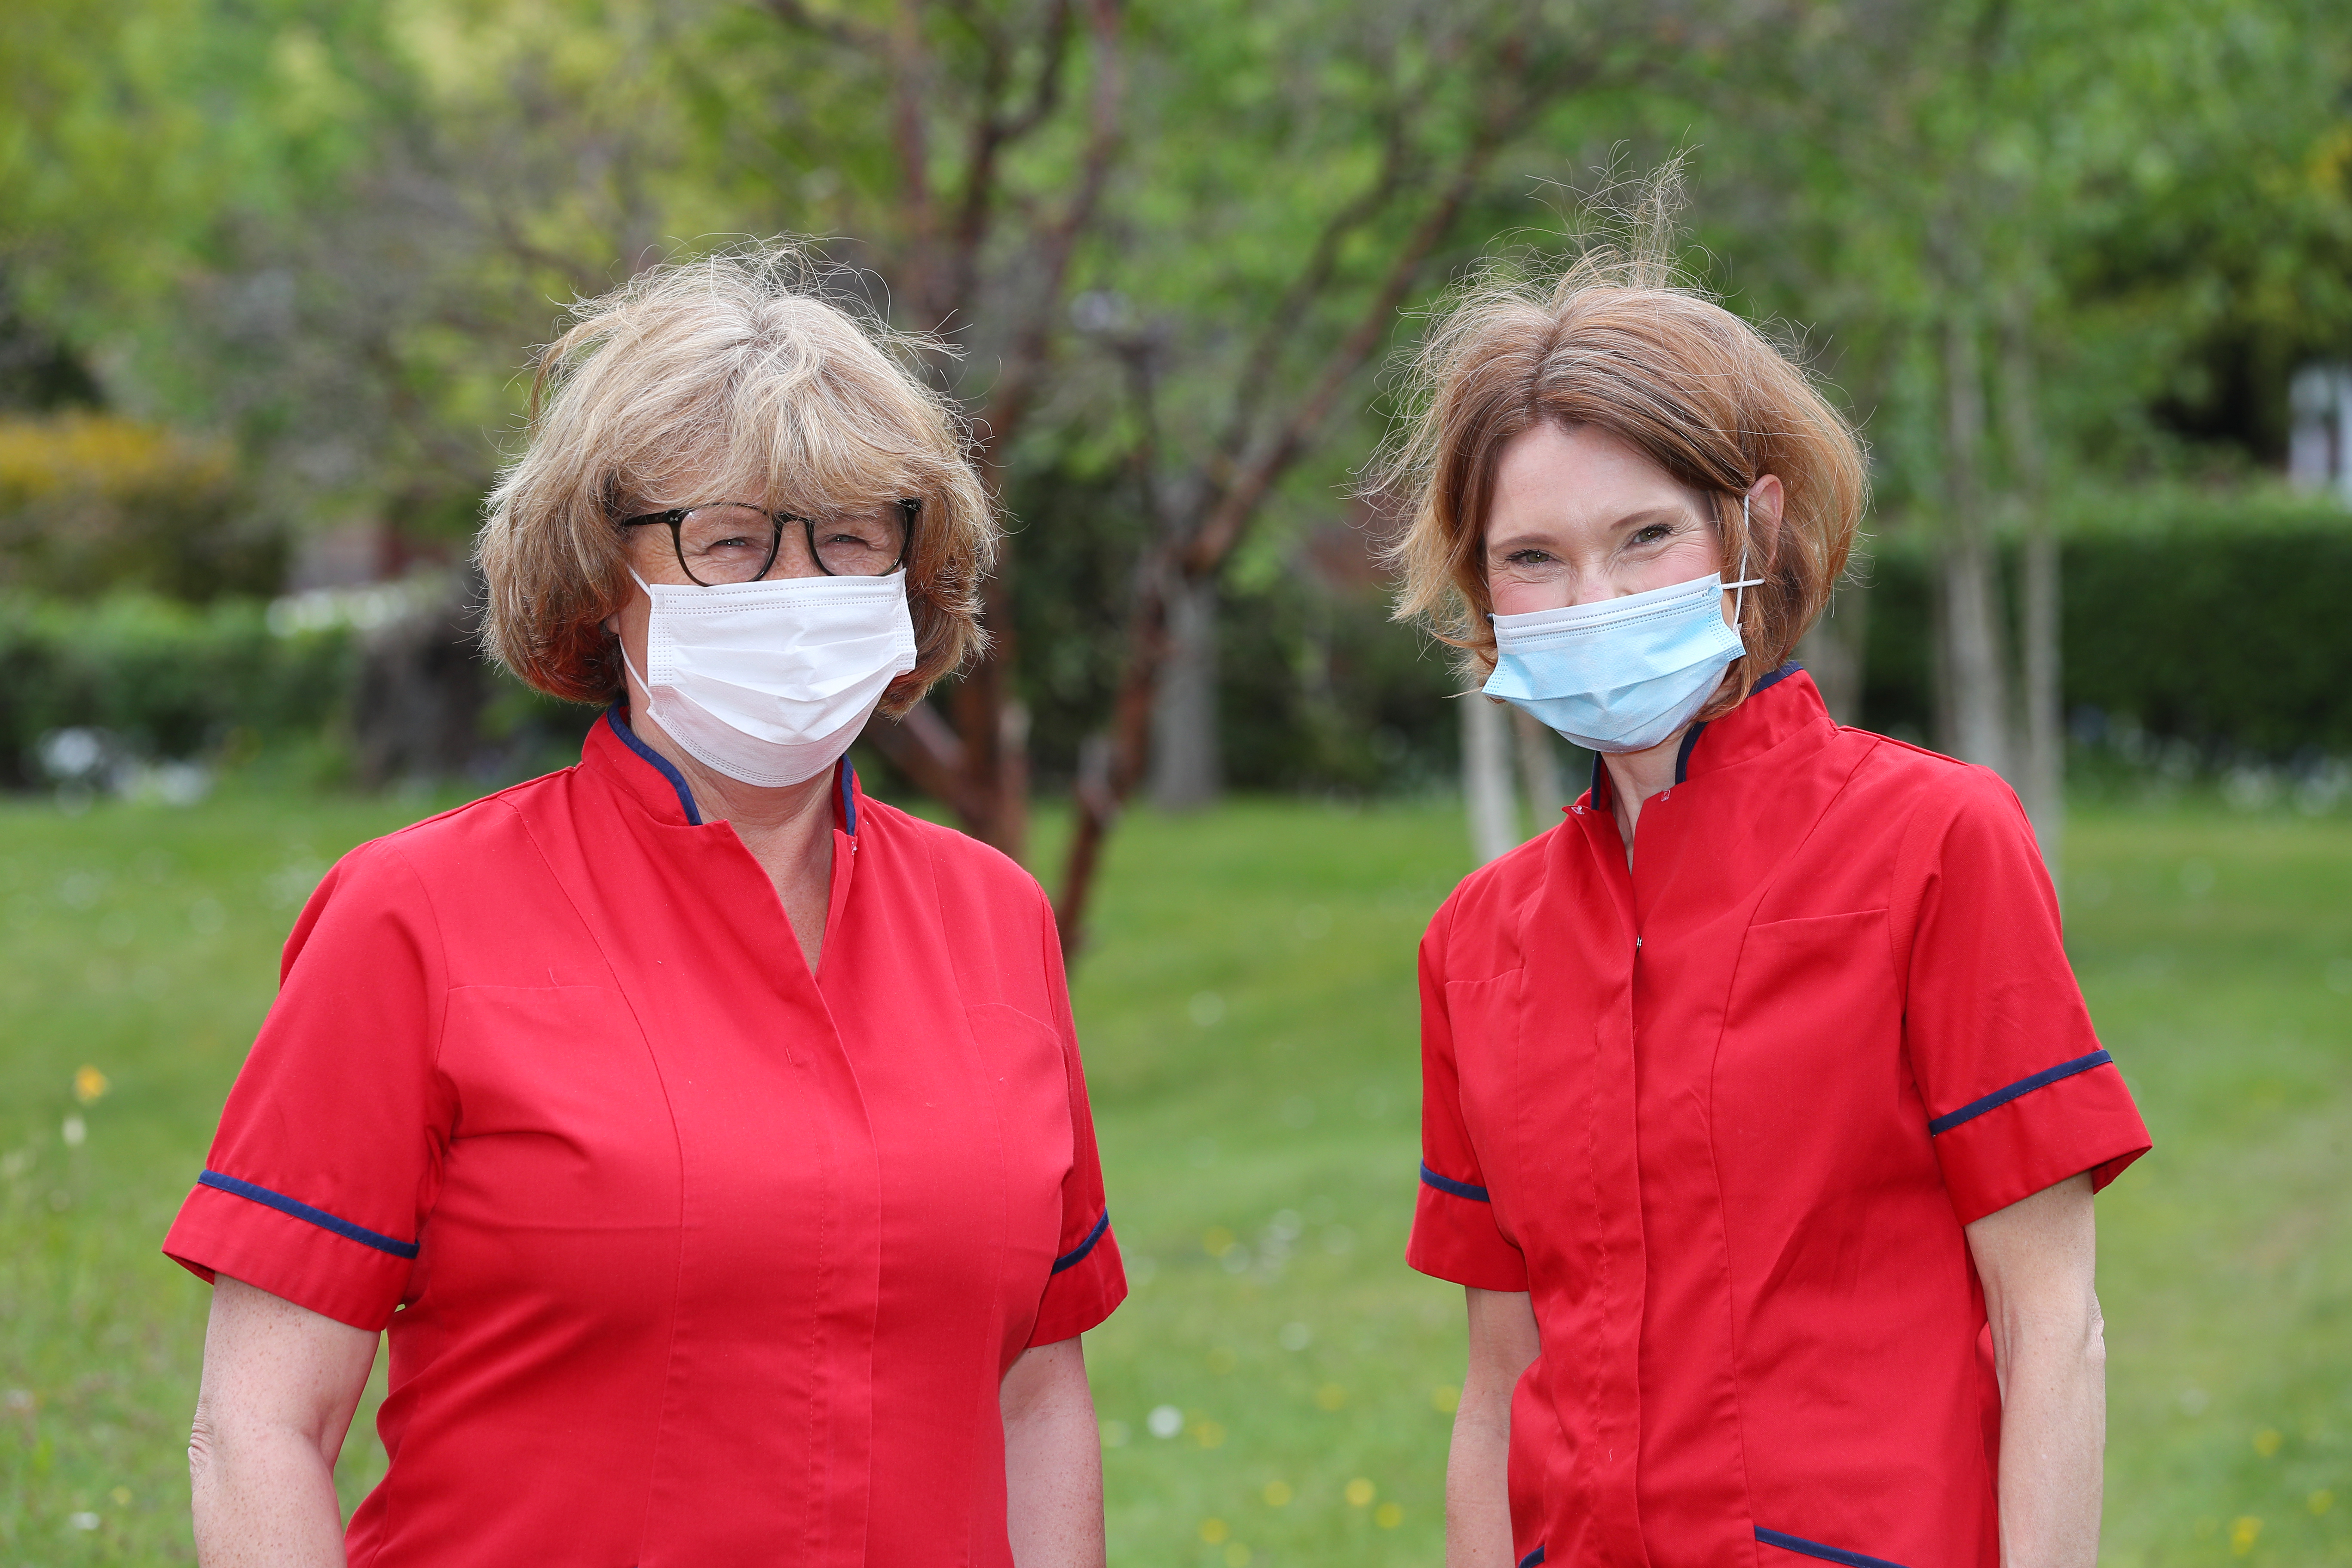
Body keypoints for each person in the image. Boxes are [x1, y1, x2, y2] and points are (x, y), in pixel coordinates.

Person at [165, 249, 1126, 1568]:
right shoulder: (414, 919)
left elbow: (1035, 1390)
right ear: (599, 577)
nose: (797, 593)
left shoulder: (995, 921)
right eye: (727, 542)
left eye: (850, 538)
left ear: (915, 569)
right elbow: (260, 1428)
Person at [1380, 234, 2151, 1568]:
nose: (1593, 598)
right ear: (1478, 589)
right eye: (1535, 559)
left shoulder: (1935, 844)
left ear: (1759, 525)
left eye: (1644, 537)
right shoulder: (1475, 945)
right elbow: (1499, 1383)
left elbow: (2052, 1322)